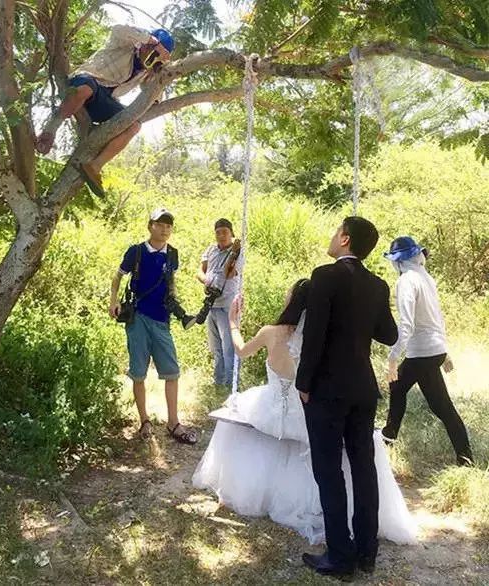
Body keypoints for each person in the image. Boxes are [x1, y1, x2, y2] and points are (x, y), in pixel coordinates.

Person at [193, 279, 416, 551]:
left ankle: (248, 485)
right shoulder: (321, 338)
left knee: (237, 403)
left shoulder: (270, 333)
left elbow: (241, 351)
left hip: (270, 411)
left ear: (291, 302)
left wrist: (233, 323)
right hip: (305, 415)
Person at [296, 217, 399, 580]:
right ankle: (367, 552)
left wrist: (303, 381)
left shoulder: (325, 276)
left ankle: (340, 556)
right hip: (363, 388)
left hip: (327, 388)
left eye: (334, 231)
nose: (331, 236)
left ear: (344, 238)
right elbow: (389, 334)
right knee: (363, 467)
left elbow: (315, 335)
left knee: (328, 470)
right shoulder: (378, 285)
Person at [36, 26, 175, 196]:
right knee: (86, 89)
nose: (152, 56)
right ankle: (50, 130)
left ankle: (94, 167)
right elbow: (118, 29)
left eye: (158, 55)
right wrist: (150, 40)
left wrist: (160, 72)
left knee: (134, 125)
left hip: (104, 99)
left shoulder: (146, 72)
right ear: (147, 44)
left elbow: (154, 99)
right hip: (87, 81)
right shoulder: (125, 44)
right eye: (153, 50)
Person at [382, 236, 473, 466]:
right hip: (433, 350)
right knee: (439, 404)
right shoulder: (425, 277)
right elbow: (437, 317)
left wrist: (393, 358)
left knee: (399, 387)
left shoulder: (406, 281)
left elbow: (406, 325)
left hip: (422, 352)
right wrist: (444, 351)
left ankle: (387, 439)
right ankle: (465, 458)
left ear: (399, 261)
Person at [109, 207, 196, 444]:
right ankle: (144, 421)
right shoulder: (136, 251)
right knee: (138, 372)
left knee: (172, 372)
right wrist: (114, 301)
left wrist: (175, 304)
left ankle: (173, 423)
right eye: (160, 224)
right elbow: (118, 276)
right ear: (151, 226)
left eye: (169, 226)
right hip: (137, 318)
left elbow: (171, 282)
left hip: (161, 319)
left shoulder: (172, 254)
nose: (165, 229)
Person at [196, 219, 242, 386]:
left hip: (227, 305)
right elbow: (200, 271)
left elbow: (229, 273)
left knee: (229, 347)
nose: (221, 235)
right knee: (216, 347)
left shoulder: (238, 252)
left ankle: (231, 384)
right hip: (212, 305)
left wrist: (233, 253)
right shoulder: (211, 249)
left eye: (225, 232)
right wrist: (207, 281)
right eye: (218, 232)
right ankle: (218, 382)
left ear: (231, 233)